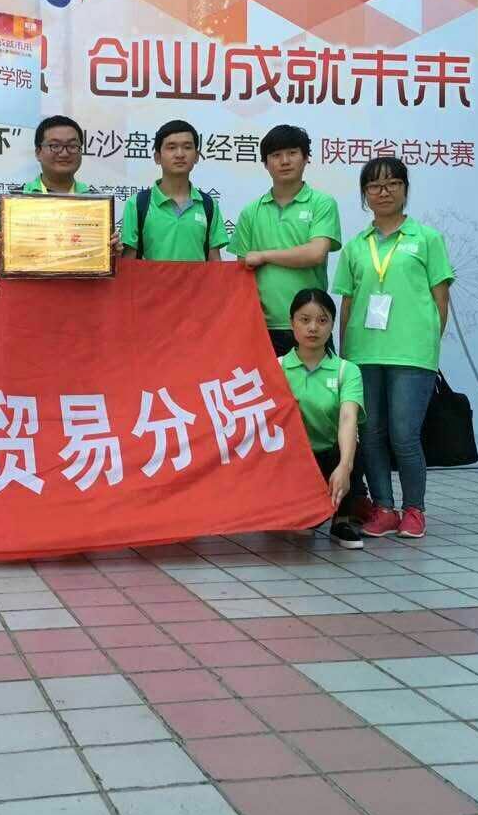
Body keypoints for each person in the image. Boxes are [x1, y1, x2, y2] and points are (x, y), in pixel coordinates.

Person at [334, 157, 455, 540]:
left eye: (392, 184)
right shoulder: (356, 246)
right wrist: (345, 355)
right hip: (364, 354)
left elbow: (441, 298)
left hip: (411, 354)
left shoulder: (427, 238)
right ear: (364, 195)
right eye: (374, 186)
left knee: (404, 435)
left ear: (405, 189)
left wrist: (428, 343)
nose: (383, 192)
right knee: (370, 434)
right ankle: (384, 508)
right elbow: (347, 304)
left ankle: (414, 509)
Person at [232, 125, 342, 356]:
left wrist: (264, 255)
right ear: (265, 163)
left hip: (311, 326)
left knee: (318, 381)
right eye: (276, 155)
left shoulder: (322, 203)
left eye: (292, 153)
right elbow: (243, 268)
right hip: (262, 328)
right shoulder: (251, 212)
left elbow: (315, 253)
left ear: (306, 157)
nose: (284, 161)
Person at [280, 289, 367, 549]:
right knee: (302, 533)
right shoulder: (276, 367)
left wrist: (345, 467)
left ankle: (342, 520)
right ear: (291, 323)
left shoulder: (346, 370)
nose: (313, 328)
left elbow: (348, 418)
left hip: (331, 455)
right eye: (304, 320)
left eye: (322, 320)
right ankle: (297, 510)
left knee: (351, 447)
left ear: (332, 324)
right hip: (294, 459)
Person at [0, 115, 119, 251]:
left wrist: (113, 252)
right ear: (38, 152)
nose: (64, 153)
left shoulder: (96, 201)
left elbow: (102, 255)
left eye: (72, 146)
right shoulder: (15, 199)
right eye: (55, 146)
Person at [120, 120, 228, 262]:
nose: (180, 154)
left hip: (198, 279)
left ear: (196, 156)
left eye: (187, 147)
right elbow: (128, 263)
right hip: (152, 278)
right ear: (157, 157)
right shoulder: (137, 204)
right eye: (171, 147)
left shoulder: (209, 205)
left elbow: (215, 263)